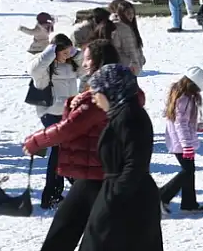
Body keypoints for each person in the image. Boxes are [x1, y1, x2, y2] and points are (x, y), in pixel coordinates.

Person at [24, 40, 118, 251]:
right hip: (98, 172)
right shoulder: (120, 87)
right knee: (74, 233)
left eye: (87, 59)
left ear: (98, 61)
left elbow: (69, 128)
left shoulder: (100, 95)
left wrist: (36, 141)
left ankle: (51, 193)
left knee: (67, 234)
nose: (83, 63)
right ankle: (52, 193)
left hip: (94, 173)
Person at [79, 64, 164, 251]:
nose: (93, 98)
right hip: (123, 195)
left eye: (96, 92)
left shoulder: (129, 116)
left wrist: (114, 198)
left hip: (129, 200)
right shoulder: (121, 114)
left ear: (110, 89)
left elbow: (135, 164)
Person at [29, 34, 82, 209]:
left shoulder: (71, 64)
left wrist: (75, 53)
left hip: (68, 113)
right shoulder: (45, 69)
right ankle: (52, 194)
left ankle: (63, 189)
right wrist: (50, 51)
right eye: (63, 52)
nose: (66, 55)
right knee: (59, 150)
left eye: (69, 51)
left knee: (64, 150)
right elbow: (34, 70)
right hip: (50, 113)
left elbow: (86, 67)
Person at [159, 67, 203, 213]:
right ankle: (162, 196)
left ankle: (189, 203)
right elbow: (180, 124)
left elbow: (185, 122)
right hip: (181, 143)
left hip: (183, 140)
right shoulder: (183, 99)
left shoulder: (182, 95)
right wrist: (187, 146)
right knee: (187, 171)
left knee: (189, 171)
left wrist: (196, 126)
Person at [108, 0, 147, 74]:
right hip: (123, 70)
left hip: (132, 69)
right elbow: (115, 50)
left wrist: (141, 59)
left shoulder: (130, 27)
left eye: (132, 13)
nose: (131, 16)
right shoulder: (117, 28)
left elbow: (135, 47)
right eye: (128, 13)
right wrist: (129, 63)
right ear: (120, 13)